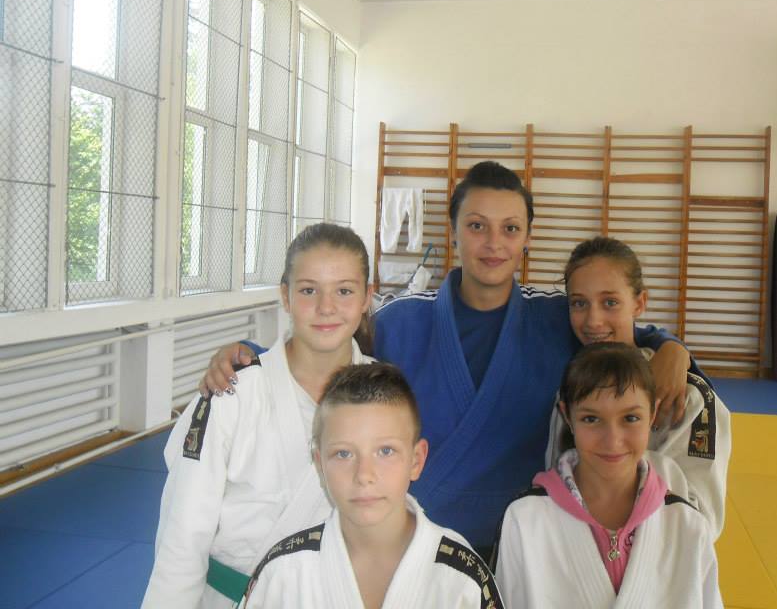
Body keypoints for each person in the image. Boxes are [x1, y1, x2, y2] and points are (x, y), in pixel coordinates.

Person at [198, 161, 697, 553]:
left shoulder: (553, 317)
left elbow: (615, 332)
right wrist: (255, 356)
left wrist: (671, 348)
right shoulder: (401, 320)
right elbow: (327, 347)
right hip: (411, 539)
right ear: (454, 230)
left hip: (520, 538)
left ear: (527, 238)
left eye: (510, 229)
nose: (493, 244)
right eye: (477, 226)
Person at [142, 224, 376, 608]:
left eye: (345, 291)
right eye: (308, 290)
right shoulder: (231, 394)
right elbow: (183, 535)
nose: (326, 307)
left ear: (367, 296)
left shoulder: (384, 398)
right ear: (285, 295)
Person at [240, 363, 504, 609]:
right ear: (320, 464)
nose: (364, 475)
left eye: (386, 451)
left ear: (416, 460)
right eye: (343, 454)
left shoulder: (463, 577)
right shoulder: (283, 572)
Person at [493, 342, 722, 609]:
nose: (612, 441)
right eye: (591, 419)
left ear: (652, 414)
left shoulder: (688, 526)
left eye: (630, 418)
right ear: (567, 416)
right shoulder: (524, 520)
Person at [545, 235, 731, 539]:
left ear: (640, 303)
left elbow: (703, 523)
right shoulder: (571, 389)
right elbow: (556, 489)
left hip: (661, 558)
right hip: (575, 553)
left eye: (610, 302)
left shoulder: (690, 397)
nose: (593, 320)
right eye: (579, 303)